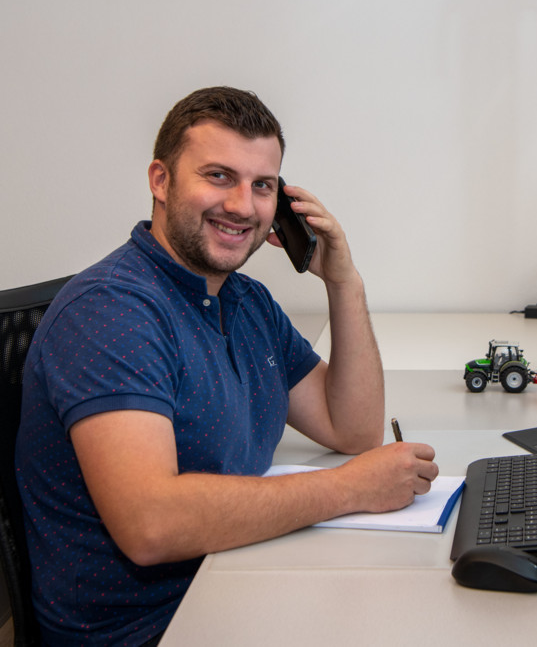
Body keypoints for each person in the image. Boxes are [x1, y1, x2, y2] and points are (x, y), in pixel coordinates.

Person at [15, 86, 439, 646]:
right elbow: (152, 524)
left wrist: (344, 280)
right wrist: (346, 489)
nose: (243, 205)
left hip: (235, 578)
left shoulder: (246, 302)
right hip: (150, 628)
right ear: (160, 181)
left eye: (262, 185)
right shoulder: (112, 312)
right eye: (218, 176)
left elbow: (352, 427)